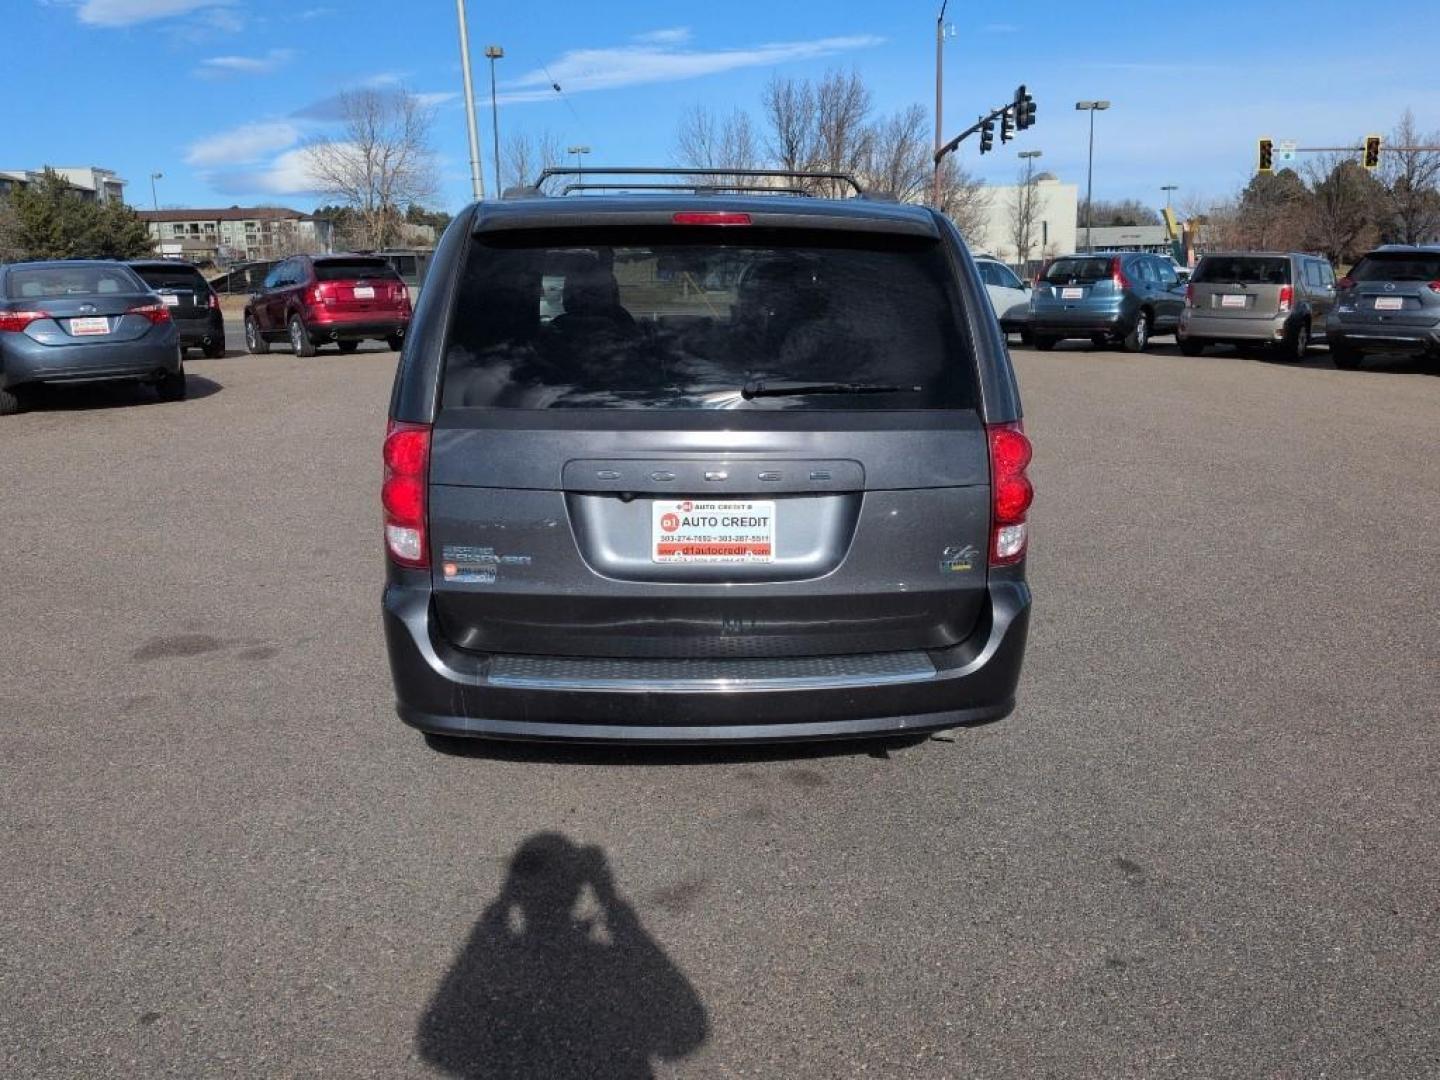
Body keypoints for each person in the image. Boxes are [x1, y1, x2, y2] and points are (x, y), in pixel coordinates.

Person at [417, 833, 708, 1079]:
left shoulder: (502, 966)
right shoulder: (607, 965)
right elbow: (685, 1033)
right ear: (579, 889)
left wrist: (504, 901)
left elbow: (436, 1042)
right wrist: (608, 897)